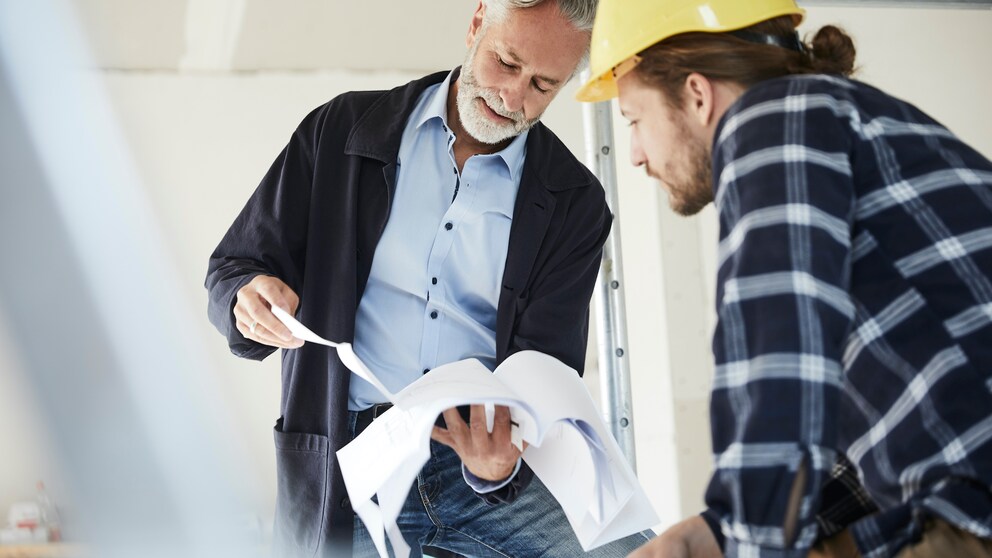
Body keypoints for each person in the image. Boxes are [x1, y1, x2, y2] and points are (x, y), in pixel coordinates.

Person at [206, 0, 651, 556]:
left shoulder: (576, 203)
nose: (513, 98)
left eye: (542, 85)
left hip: (484, 458)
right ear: (476, 22)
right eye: (506, 63)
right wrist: (244, 299)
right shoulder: (341, 131)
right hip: (352, 459)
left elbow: (547, 366)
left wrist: (499, 466)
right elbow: (234, 266)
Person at [578, 0, 992, 556]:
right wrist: (715, 535)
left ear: (697, 94)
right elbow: (884, 426)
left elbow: (779, 369)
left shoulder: (770, 120)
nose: (633, 155)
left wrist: (746, 542)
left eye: (633, 120)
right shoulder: (853, 118)